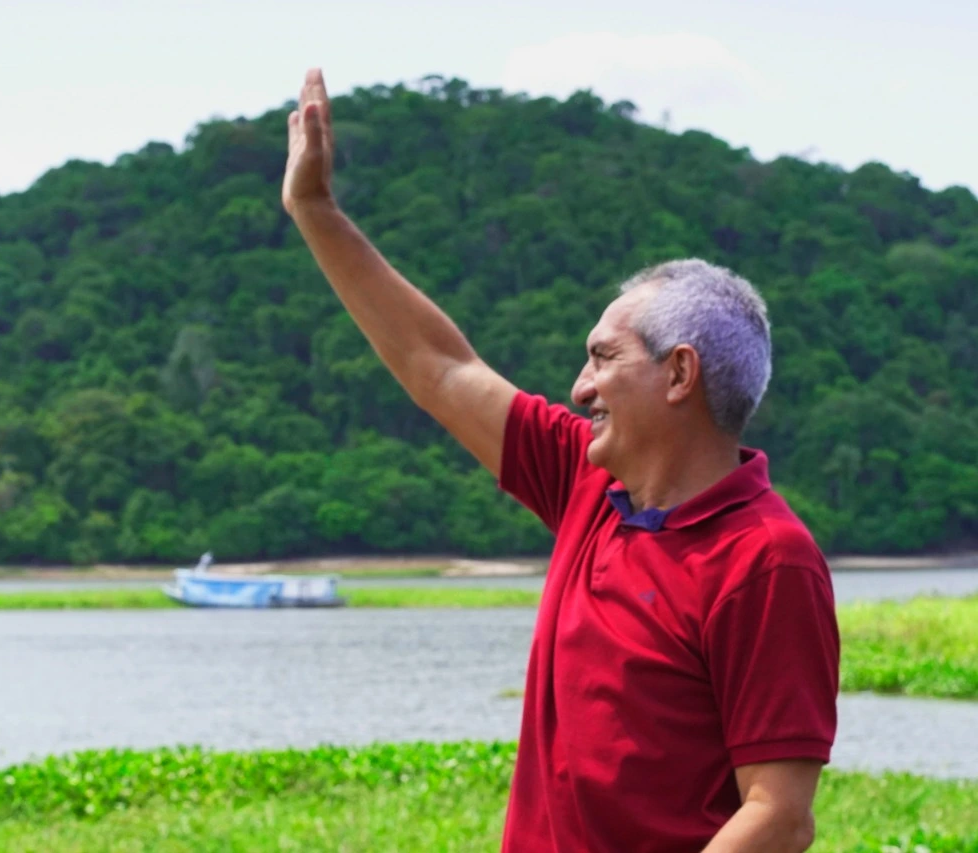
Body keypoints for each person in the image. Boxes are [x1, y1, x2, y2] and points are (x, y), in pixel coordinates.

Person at [281, 69, 840, 852]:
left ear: (680, 374)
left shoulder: (767, 560)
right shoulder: (587, 479)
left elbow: (777, 812)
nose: (580, 388)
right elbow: (438, 366)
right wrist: (315, 212)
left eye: (603, 358)